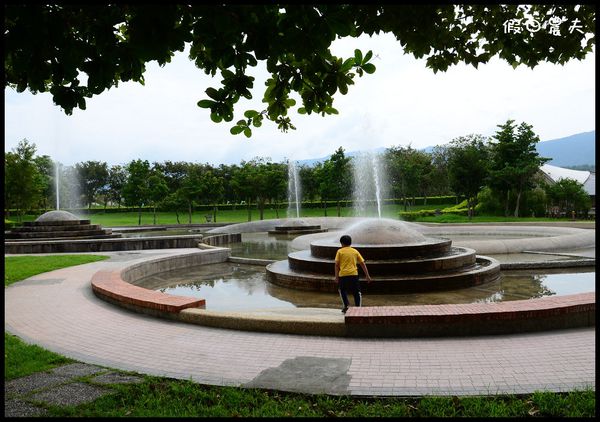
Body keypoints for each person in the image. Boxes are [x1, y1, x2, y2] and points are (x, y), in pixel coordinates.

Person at [334, 234, 372, 314]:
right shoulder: (355, 251)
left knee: (342, 290)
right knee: (356, 292)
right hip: (353, 274)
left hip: (343, 275)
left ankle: (346, 305)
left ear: (342, 243)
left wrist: (336, 277)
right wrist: (367, 275)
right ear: (350, 243)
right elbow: (362, 263)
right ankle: (358, 307)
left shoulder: (339, 251)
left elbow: (336, 265)